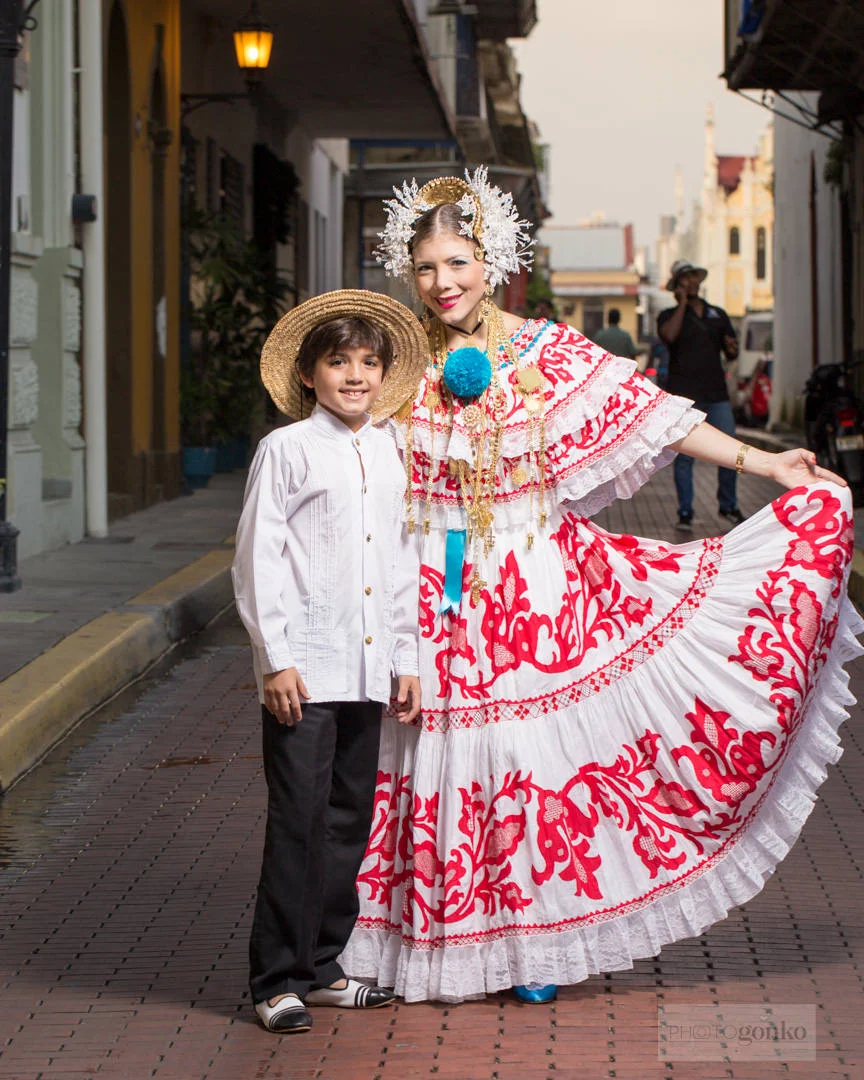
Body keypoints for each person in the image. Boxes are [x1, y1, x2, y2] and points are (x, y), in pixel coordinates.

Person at [339, 168, 862, 1006]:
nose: (443, 283)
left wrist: (765, 462)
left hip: (538, 589)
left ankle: (539, 941)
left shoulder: (548, 351)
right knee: (440, 759)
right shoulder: (397, 365)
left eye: (458, 262)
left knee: (530, 762)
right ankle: (441, 938)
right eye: (427, 267)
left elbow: (657, 416)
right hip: (433, 595)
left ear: (491, 261)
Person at [232, 290, 427, 1033]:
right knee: (298, 820)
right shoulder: (286, 449)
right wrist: (274, 658)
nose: (355, 376)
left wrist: (406, 659)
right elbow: (258, 559)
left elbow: (404, 562)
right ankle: (275, 979)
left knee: (348, 820)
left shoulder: (391, 449)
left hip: (369, 669)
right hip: (306, 671)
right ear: (308, 373)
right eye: (338, 362)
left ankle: (322, 967)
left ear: (383, 374)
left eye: (368, 363)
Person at [657, 259, 742, 531]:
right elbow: (669, 336)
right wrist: (682, 303)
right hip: (684, 397)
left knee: (731, 449)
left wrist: (732, 348)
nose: (691, 282)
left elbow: (731, 352)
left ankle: (728, 505)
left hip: (716, 394)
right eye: (685, 278)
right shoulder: (668, 316)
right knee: (684, 457)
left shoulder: (717, 314)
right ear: (676, 286)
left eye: (694, 277)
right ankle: (685, 510)